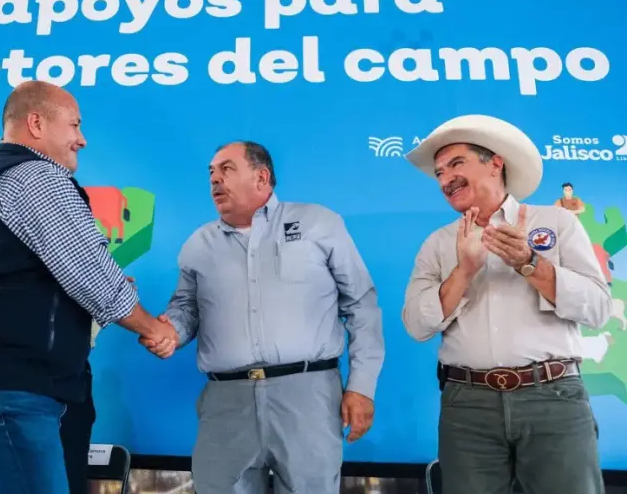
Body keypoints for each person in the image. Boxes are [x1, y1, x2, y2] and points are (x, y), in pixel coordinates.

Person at [0, 81, 178, 493]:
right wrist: (153, 328)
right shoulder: (35, 175)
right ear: (36, 124)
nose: (82, 139)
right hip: (0, 388)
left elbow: (54, 278)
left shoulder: (6, 179)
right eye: (75, 125)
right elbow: (89, 271)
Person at [142, 141, 385, 494]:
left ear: (262, 176)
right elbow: (186, 310)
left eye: (226, 169)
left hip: (308, 396)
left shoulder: (319, 223)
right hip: (226, 400)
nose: (214, 180)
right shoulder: (198, 244)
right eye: (211, 172)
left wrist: (361, 387)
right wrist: (169, 332)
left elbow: (360, 305)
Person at [401, 114, 610, 494]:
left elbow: (597, 309)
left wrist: (530, 264)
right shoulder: (438, 243)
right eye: (440, 173)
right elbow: (416, 325)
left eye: (456, 164)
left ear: (495, 162)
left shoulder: (557, 222)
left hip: (553, 398)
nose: (446, 179)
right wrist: (463, 271)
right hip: (468, 405)